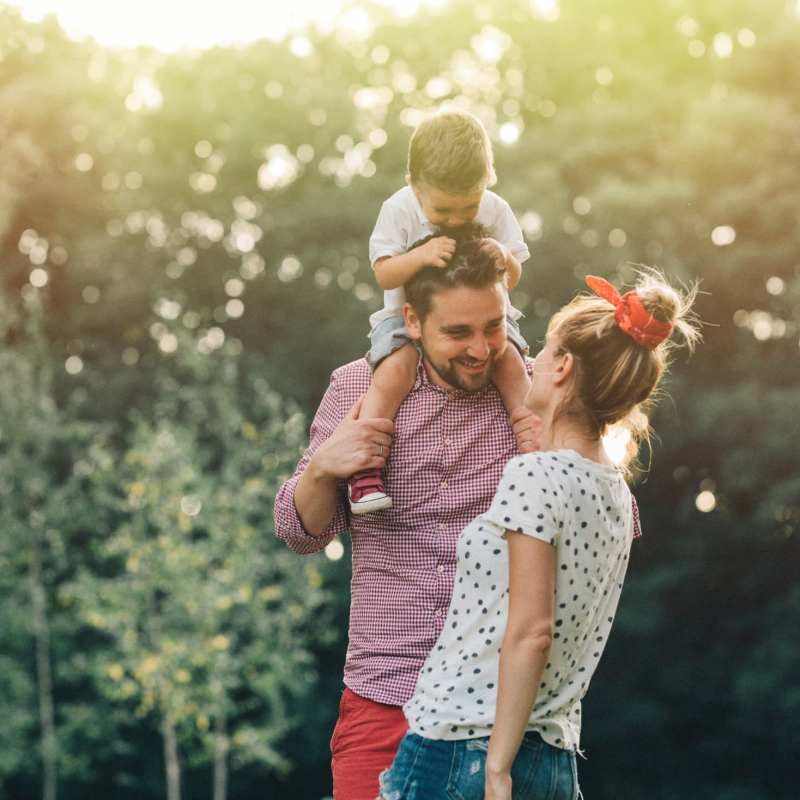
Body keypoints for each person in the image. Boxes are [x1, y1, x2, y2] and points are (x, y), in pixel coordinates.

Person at [274, 231, 643, 800]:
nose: (480, 349)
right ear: (412, 322)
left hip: (497, 712)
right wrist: (324, 469)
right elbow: (298, 531)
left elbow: (598, 525)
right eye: (458, 332)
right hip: (385, 692)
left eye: (494, 328)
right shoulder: (359, 387)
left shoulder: (533, 400)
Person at [377, 270, 699, 800]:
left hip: (466, 752)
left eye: (545, 352)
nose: (532, 364)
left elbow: (533, 631)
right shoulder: (616, 494)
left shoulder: (536, 475)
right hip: (553, 762)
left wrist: (497, 769)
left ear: (564, 367)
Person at [348, 107, 532, 515]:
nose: (454, 221)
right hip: (403, 320)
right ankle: (365, 471)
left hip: (485, 316)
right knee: (393, 373)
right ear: (414, 185)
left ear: (487, 181)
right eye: (442, 212)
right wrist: (422, 255)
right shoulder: (398, 210)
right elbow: (384, 274)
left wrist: (502, 255)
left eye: (467, 210)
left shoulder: (497, 209)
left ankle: (535, 450)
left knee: (512, 366)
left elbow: (514, 276)